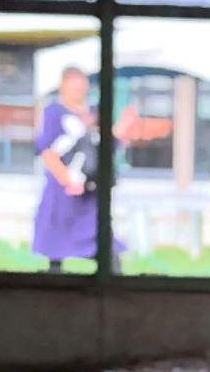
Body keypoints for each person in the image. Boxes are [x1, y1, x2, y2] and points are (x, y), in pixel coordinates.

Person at [33, 67, 138, 270]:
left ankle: (109, 285)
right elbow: (48, 151)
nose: (78, 91)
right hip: (64, 194)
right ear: (63, 87)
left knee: (104, 243)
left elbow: (104, 145)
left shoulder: (93, 114)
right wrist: (67, 180)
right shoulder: (54, 113)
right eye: (74, 87)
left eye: (81, 87)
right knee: (57, 246)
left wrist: (123, 128)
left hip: (91, 191)